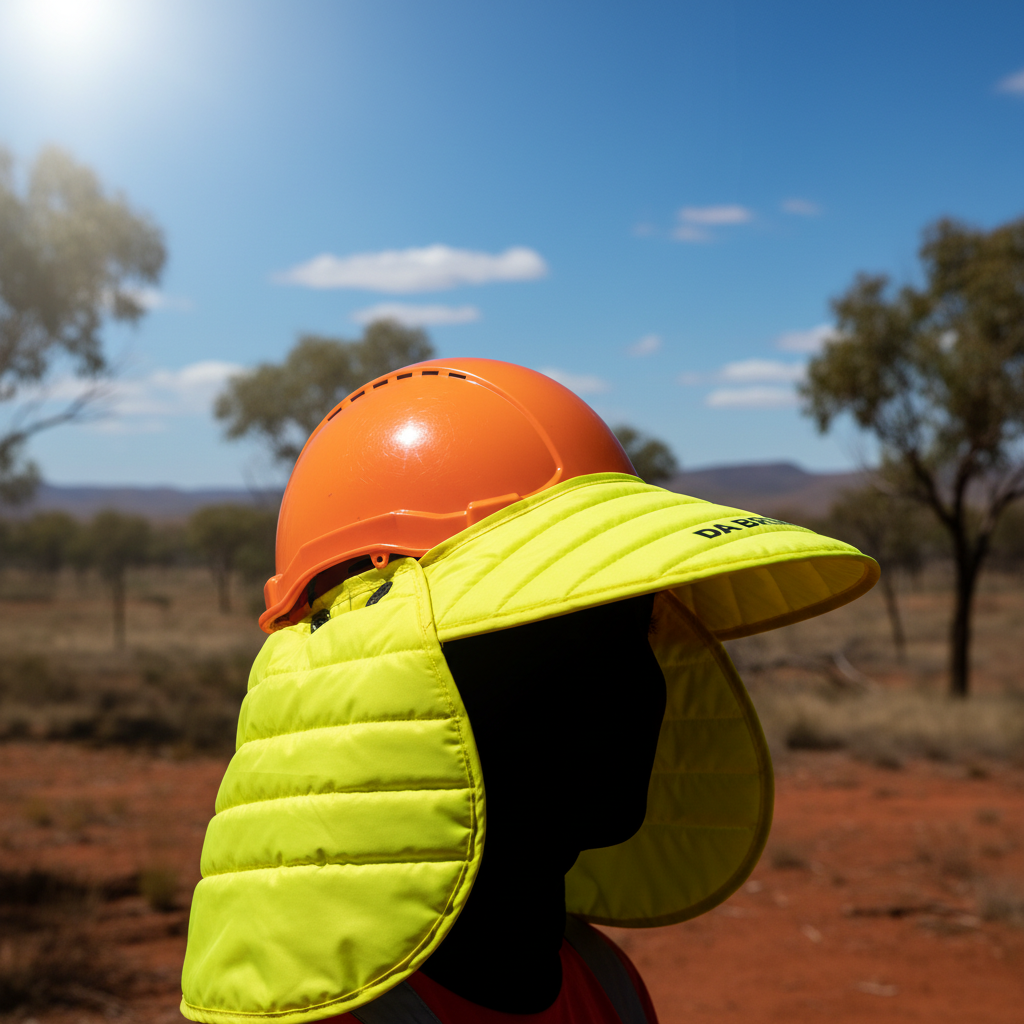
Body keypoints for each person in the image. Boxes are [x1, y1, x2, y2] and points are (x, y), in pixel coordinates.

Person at [180, 359, 878, 1024]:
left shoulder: (605, 985)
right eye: (555, 645)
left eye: (634, 634)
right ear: (379, 687)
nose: (637, 691)